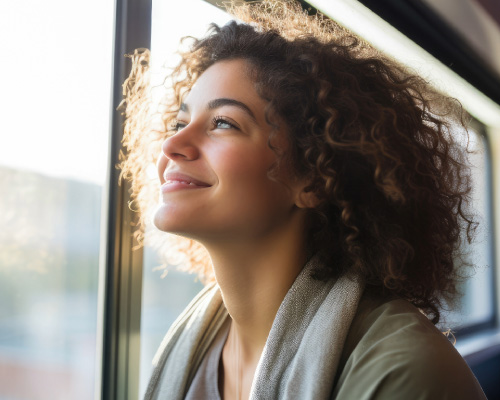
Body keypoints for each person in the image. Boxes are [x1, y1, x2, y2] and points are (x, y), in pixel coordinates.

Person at [120, 1, 487, 399]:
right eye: (179, 122)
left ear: (312, 177)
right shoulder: (191, 345)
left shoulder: (406, 370)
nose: (172, 144)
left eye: (223, 123)